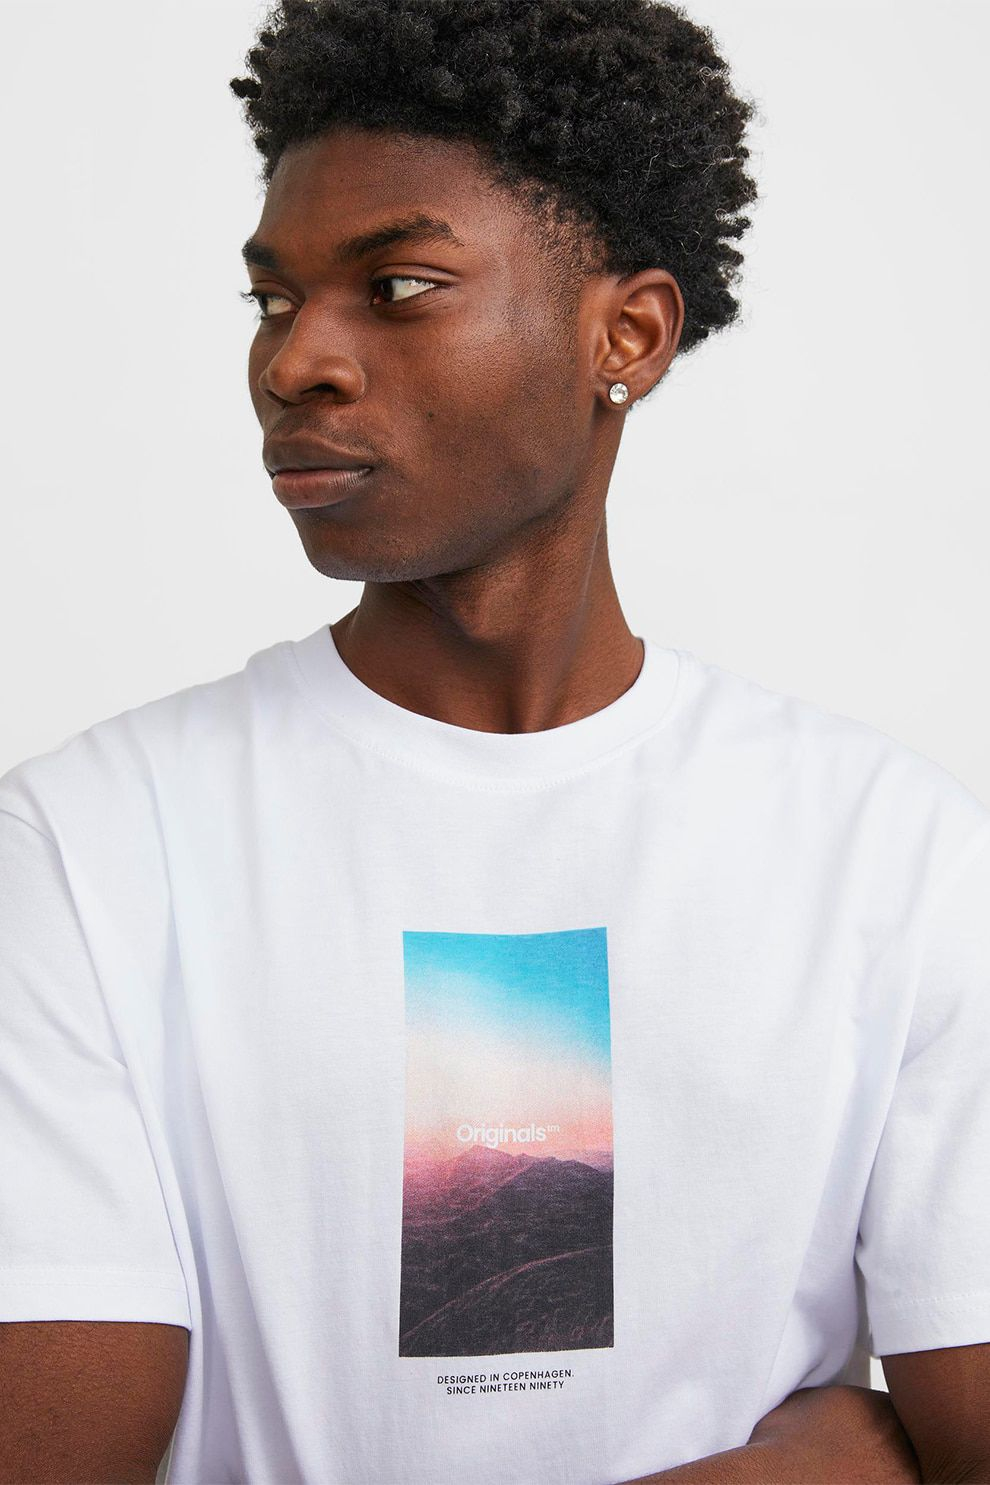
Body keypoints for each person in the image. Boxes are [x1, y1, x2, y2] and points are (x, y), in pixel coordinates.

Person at [1, 0, 988, 1481]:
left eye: (397, 286)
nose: (295, 362)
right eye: (273, 299)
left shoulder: (888, 853)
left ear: (625, 334)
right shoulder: (85, 848)